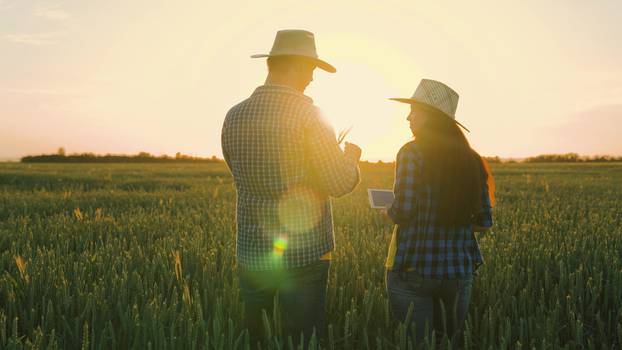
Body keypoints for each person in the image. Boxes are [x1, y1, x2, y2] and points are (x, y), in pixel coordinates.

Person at [221, 29, 361, 347]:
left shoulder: (234, 114)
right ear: (297, 66)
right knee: (302, 339)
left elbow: (237, 171)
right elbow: (338, 183)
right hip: (305, 252)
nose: (312, 78)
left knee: (255, 337)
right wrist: (350, 158)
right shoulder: (310, 115)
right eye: (311, 69)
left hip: (252, 249)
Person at [383, 79, 494, 344]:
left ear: (430, 117)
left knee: (418, 344)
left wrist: (388, 209)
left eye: (414, 110)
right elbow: (484, 222)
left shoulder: (411, 153)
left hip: (414, 269)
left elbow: (404, 210)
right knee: (449, 342)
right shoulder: (472, 159)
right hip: (458, 273)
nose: (408, 117)